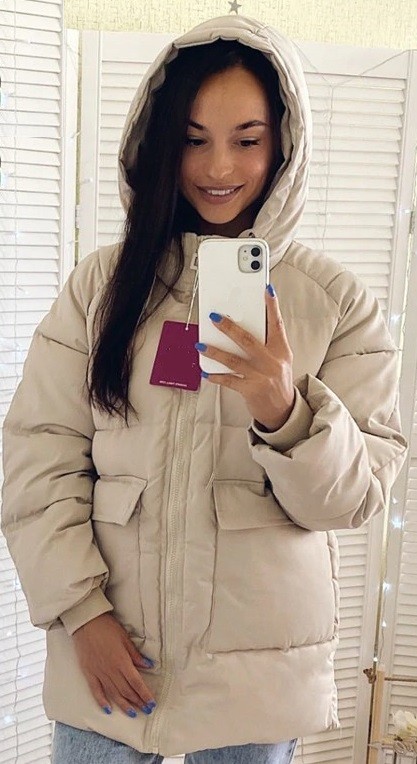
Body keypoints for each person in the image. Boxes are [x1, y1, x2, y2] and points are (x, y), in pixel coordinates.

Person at [1, 13, 408, 764]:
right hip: (110, 654)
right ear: (161, 142)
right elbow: (39, 459)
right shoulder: (102, 286)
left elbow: (351, 501)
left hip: (258, 677)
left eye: (246, 140)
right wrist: (80, 613)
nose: (218, 166)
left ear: (283, 145)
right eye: (194, 139)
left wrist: (284, 410)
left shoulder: (335, 301)